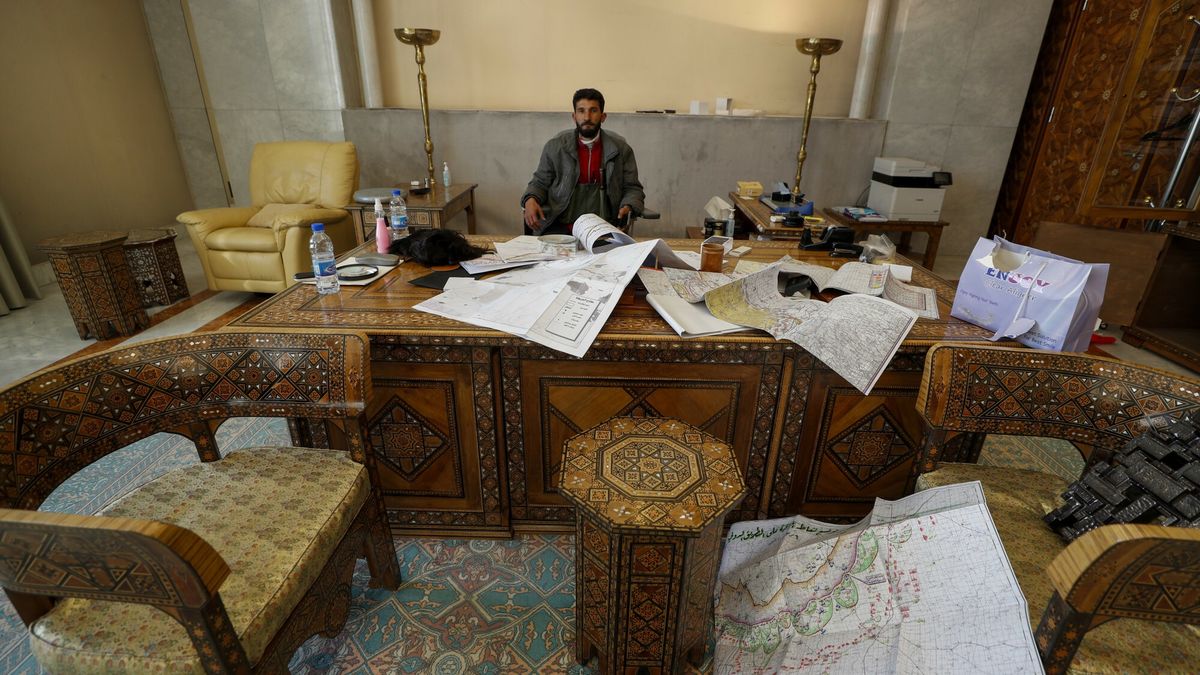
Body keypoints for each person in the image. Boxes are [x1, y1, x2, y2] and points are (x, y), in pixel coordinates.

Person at [521, 88, 645, 235]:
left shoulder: (621, 150)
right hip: (561, 228)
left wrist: (629, 206)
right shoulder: (555, 147)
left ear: (603, 116)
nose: (587, 117)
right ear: (574, 116)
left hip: (604, 228)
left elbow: (633, 188)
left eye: (593, 111)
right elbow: (540, 182)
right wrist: (530, 199)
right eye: (581, 111)